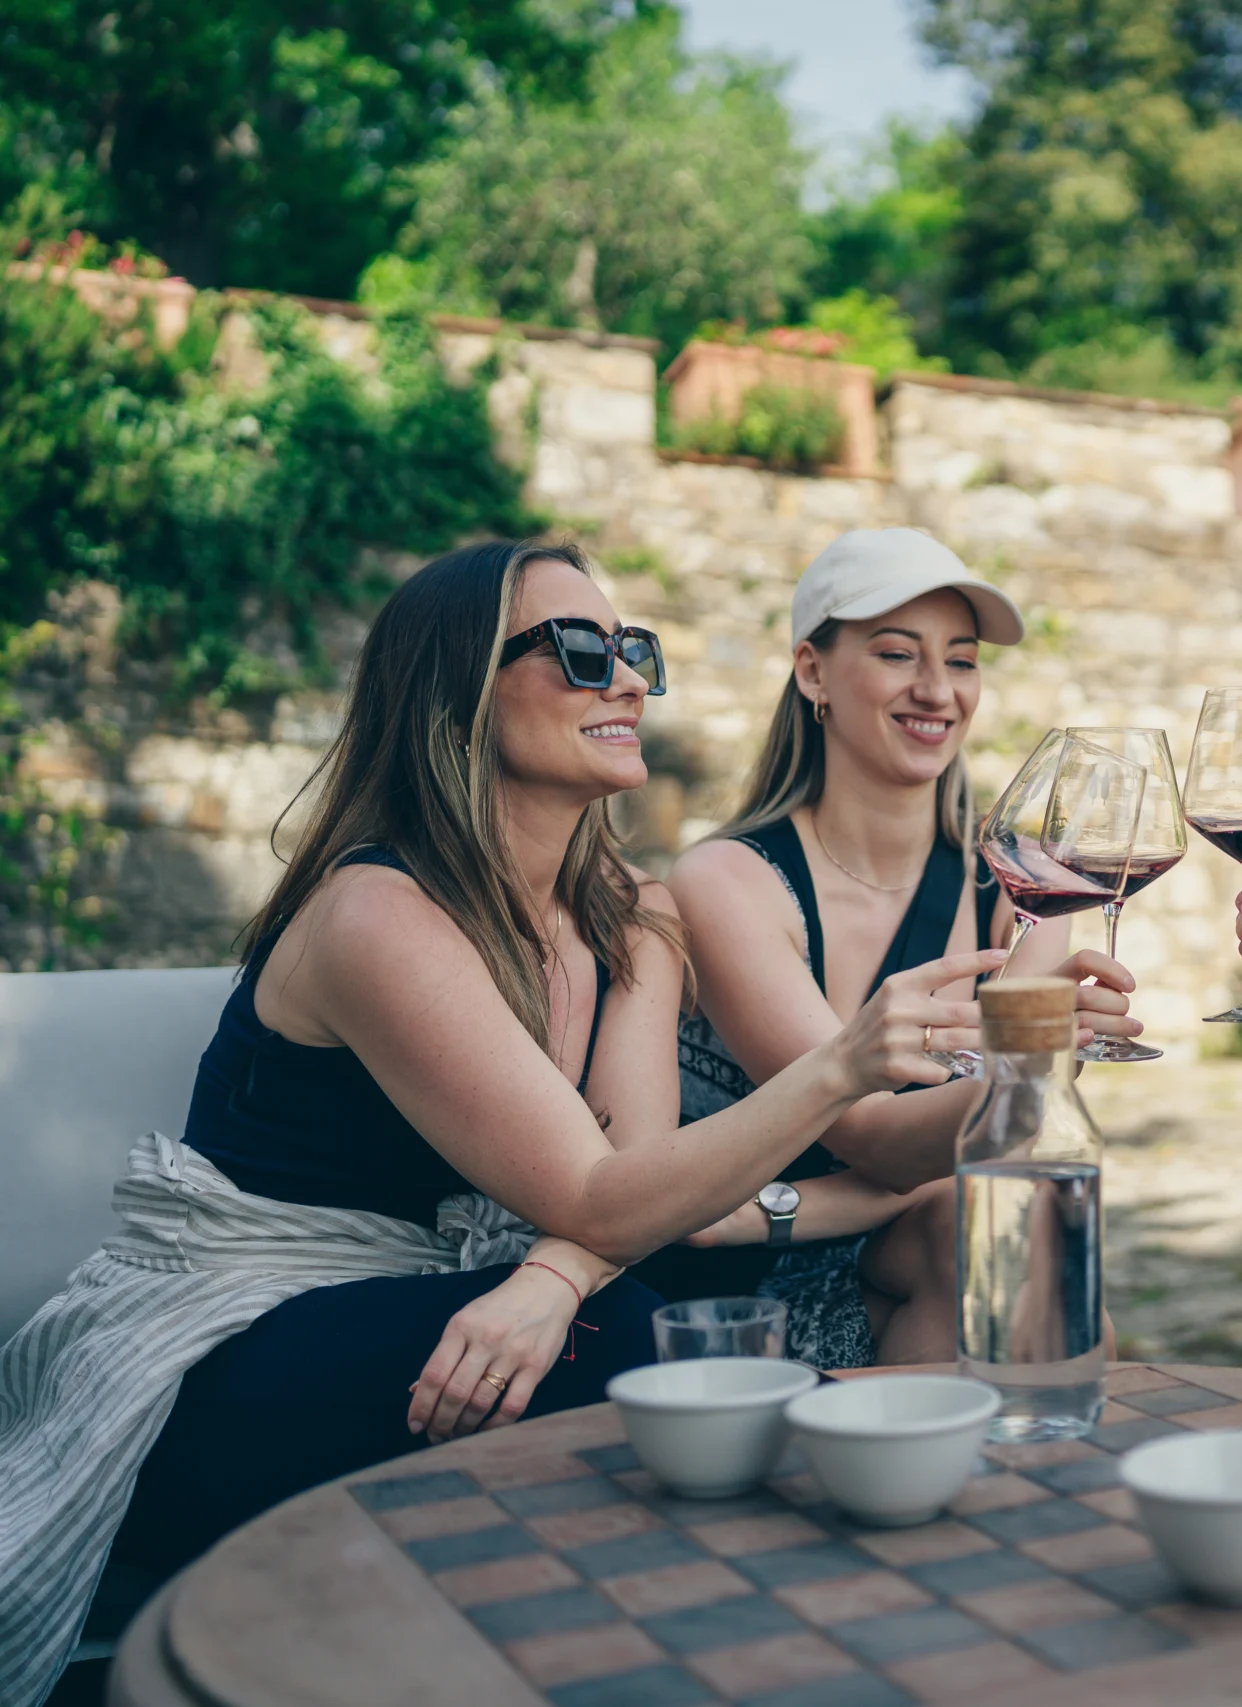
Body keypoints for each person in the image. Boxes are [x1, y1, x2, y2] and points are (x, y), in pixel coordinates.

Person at [0, 539, 1009, 1707]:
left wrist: (550, 1278)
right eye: (582, 651)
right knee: (622, 1350)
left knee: (622, 1326)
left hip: (464, 1299)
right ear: (457, 692)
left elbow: (629, 1181)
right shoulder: (378, 913)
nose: (627, 680)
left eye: (635, 651)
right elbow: (592, 1200)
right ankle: (949, 1444)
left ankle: (854, 1570)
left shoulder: (634, 916)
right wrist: (841, 1067)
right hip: (230, 1337)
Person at [640, 528, 1135, 1367]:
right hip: (721, 1279)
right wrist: (1037, 1065)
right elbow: (877, 1134)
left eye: (963, 661)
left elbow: (1007, 1161)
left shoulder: (1022, 887)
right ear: (813, 672)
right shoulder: (731, 881)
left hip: (847, 1233)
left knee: (1029, 1241)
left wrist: (1040, 1068)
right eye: (899, 654)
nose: (938, 691)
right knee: (1017, 1255)